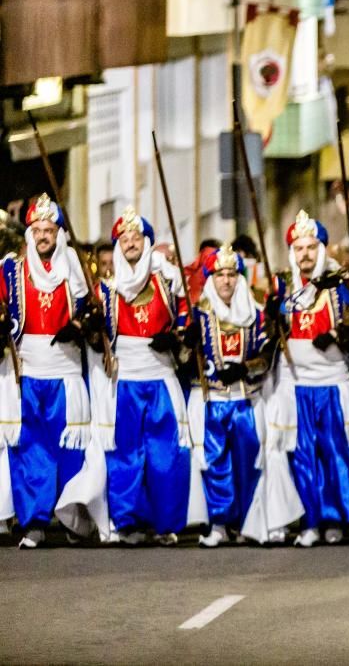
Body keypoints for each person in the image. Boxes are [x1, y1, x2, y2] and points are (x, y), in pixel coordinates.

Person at [87, 208, 194, 545]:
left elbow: (186, 321)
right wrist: (91, 325)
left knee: (166, 454)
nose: (130, 243)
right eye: (124, 239)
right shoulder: (107, 289)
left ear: (147, 243)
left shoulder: (167, 280)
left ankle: (165, 525)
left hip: (161, 377)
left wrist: (175, 337)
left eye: (136, 238)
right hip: (126, 381)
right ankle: (130, 523)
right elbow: (97, 337)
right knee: (126, 455)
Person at [187, 246, 301, 546]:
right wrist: (186, 343)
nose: (226, 281)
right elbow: (183, 357)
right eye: (220, 275)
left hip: (247, 401)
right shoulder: (198, 314)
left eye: (231, 275)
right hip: (214, 401)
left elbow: (267, 355)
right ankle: (220, 523)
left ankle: (249, 521)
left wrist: (245, 369)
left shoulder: (257, 314)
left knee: (248, 462)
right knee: (215, 464)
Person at [265, 210, 349, 547]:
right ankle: (310, 521)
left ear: (322, 249)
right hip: (297, 386)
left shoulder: (339, 284)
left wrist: (336, 333)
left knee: (336, 452)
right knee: (303, 455)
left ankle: (336, 519)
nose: (304, 254)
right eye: (298, 248)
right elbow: (272, 333)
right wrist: (271, 315)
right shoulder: (283, 285)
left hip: (332, 383)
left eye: (310, 247)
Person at [0, 194, 92, 548]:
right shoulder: (11, 269)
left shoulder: (77, 269)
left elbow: (92, 312)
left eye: (49, 229)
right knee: (30, 449)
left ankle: (73, 520)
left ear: (59, 232)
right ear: (29, 233)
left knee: (70, 449)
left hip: (66, 373)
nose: (43, 236)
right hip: (27, 372)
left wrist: (83, 324)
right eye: (37, 229)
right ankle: (34, 521)